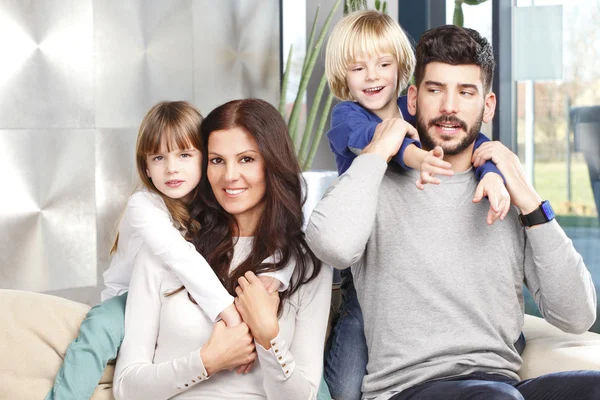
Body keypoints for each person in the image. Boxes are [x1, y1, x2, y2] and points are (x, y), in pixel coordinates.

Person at [307, 24, 599, 400]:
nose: (449, 107)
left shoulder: (505, 196)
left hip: (500, 384)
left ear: (487, 105)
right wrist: (381, 148)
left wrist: (528, 198)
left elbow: (577, 316)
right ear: (411, 100)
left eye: (465, 92)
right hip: (410, 389)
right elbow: (331, 246)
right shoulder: (373, 187)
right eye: (435, 90)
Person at [322, 10, 512, 400]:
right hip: (368, 271)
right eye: (358, 68)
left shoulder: (417, 109)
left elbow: (473, 138)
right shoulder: (346, 116)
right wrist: (417, 158)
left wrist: (491, 172)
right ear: (343, 75)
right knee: (346, 384)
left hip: (412, 266)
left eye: (384, 64)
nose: (372, 77)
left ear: (402, 70)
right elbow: (378, 142)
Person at [46, 101, 292, 400]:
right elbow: (180, 256)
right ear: (146, 167)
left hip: (173, 292)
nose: (171, 168)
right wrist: (231, 313)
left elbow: (279, 238)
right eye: (159, 157)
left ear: (204, 159)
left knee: (293, 361)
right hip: (127, 299)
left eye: (184, 155)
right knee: (97, 328)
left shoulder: (213, 203)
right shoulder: (144, 205)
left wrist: (278, 277)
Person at [113, 98, 333, 400]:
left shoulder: (305, 265)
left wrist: (269, 337)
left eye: (246, 159)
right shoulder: (168, 250)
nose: (229, 175)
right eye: (217, 160)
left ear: (273, 162)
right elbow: (127, 388)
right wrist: (207, 361)